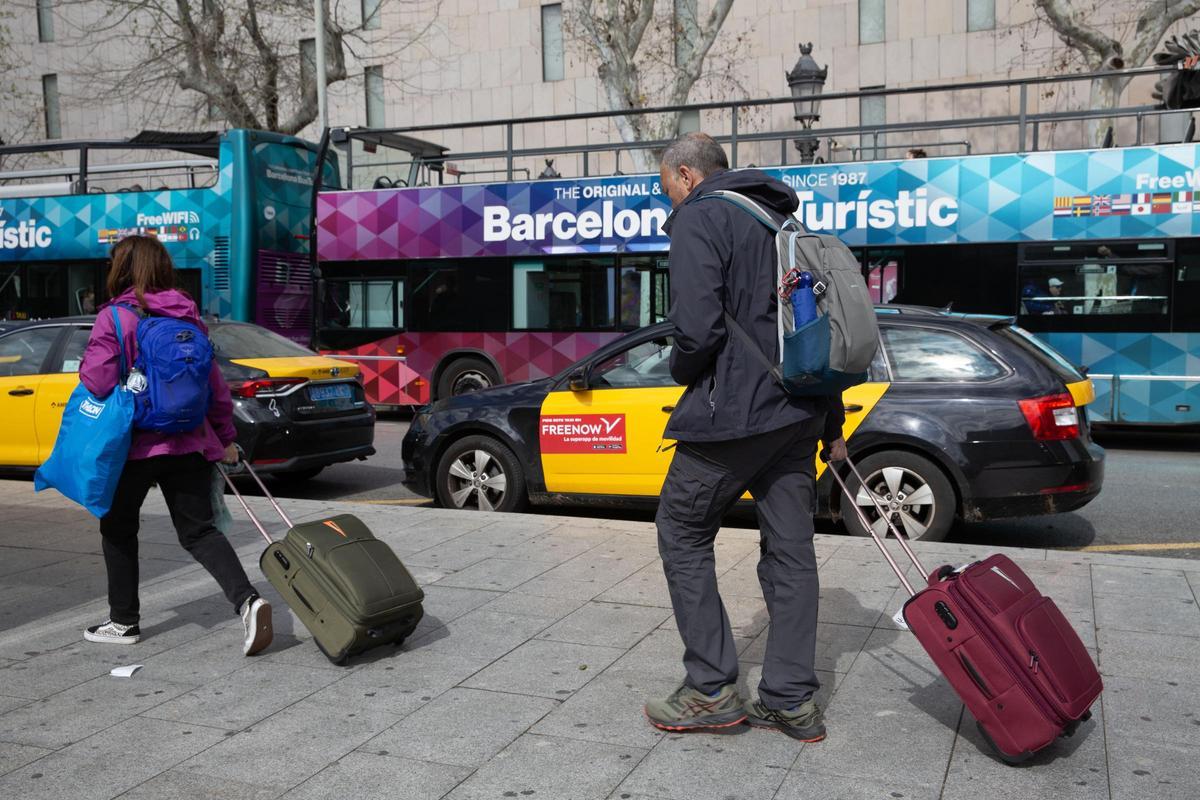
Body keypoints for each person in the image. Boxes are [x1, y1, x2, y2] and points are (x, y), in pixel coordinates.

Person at [643, 133, 845, 742]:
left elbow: (697, 330)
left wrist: (679, 373)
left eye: (665, 189)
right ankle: (789, 699)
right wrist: (830, 423)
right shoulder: (783, 221)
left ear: (685, 175)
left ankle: (709, 688)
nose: (667, 202)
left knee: (680, 529)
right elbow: (817, 330)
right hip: (798, 412)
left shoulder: (700, 217)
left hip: (733, 416)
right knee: (791, 551)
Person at [78, 235, 273, 655]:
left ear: (122, 269)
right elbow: (215, 388)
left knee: (117, 529)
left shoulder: (116, 317)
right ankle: (248, 600)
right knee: (200, 532)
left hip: (133, 447)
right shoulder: (190, 319)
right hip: (190, 443)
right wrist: (225, 439)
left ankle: (123, 621)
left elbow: (96, 381)